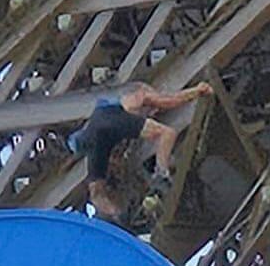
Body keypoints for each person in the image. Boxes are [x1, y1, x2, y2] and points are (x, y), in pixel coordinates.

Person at [67, 81, 214, 224]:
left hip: (97, 137)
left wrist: (116, 212)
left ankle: (117, 215)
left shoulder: (99, 121)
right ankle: (161, 174)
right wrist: (197, 90)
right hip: (114, 121)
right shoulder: (138, 92)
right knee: (167, 133)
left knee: (97, 190)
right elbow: (168, 101)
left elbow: (96, 194)